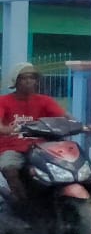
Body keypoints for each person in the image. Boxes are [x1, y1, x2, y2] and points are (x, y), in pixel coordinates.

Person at [0, 63, 69, 204]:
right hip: (12, 147)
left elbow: (63, 116)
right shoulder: (4, 101)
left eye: (32, 78)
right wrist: (6, 129)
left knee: (61, 168)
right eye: (23, 78)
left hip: (41, 148)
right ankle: (20, 203)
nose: (28, 81)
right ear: (15, 81)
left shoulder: (44, 101)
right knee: (9, 168)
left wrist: (81, 125)